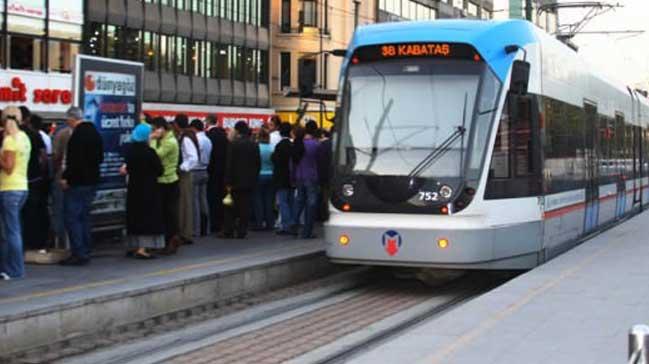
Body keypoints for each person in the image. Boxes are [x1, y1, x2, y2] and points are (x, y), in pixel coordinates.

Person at [59, 106, 104, 266]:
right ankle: (86, 249)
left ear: (72, 119)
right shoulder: (95, 133)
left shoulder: (77, 136)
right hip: (92, 181)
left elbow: (74, 162)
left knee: (72, 218)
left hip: (78, 183)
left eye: (68, 121)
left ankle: (78, 252)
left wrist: (66, 178)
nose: (68, 124)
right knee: (85, 217)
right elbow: (100, 157)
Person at [121, 123, 164, 259]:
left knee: (135, 216)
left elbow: (128, 167)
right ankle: (142, 248)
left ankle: (133, 245)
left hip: (134, 187)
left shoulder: (130, 150)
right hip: (149, 188)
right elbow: (159, 170)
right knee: (147, 216)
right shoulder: (149, 152)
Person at [0, 107, 31, 280]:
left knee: (11, 231)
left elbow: (8, 167)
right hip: (22, 187)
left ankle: (14, 269)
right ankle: (9, 268)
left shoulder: (9, 141)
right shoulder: (24, 138)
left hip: (8, 187)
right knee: (12, 229)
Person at [222, 121, 260, 239]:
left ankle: (229, 230)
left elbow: (229, 164)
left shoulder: (233, 144)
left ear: (237, 131)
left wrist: (227, 181)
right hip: (248, 181)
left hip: (234, 181)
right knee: (245, 207)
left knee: (230, 207)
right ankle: (242, 230)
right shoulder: (253, 144)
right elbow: (257, 164)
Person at [150, 117, 182, 255]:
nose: (153, 132)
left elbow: (156, 155)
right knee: (164, 212)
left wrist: (151, 140)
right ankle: (168, 240)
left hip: (168, 181)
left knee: (168, 213)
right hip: (163, 180)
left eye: (155, 129)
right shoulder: (165, 140)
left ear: (162, 128)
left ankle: (172, 239)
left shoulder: (170, 142)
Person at [18, 107, 49, 250]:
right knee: (34, 212)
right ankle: (34, 243)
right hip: (34, 179)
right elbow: (43, 157)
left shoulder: (10, 136)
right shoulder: (35, 135)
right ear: (28, 118)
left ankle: (20, 243)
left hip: (15, 180)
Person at [292, 121, 321, 239]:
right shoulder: (316, 145)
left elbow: (293, 162)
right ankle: (307, 231)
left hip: (299, 175)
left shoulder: (299, 144)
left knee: (299, 200)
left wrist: (293, 176)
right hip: (312, 176)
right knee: (311, 203)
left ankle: (293, 222)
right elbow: (320, 162)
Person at [175, 114, 199, 245]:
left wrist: (182, 167)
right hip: (186, 173)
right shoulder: (187, 136)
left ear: (177, 125)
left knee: (184, 203)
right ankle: (185, 231)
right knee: (185, 203)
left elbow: (193, 157)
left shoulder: (185, 139)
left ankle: (185, 232)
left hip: (184, 174)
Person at [51, 121, 73, 248]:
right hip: (78, 178)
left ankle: (60, 242)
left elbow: (56, 156)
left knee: (59, 208)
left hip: (62, 176)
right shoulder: (80, 133)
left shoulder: (61, 134)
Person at [205, 114, 228, 234]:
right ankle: (221, 222)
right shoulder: (224, 135)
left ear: (208, 122)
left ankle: (213, 223)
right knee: (221, 197)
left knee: (211, 197)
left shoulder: (208, 136)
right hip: (223, 171)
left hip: (212, 171)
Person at [272, 122, 295, 235]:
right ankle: (292, 222)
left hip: (281, 178)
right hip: (292, 178)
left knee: (283, 202)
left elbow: (275, 161)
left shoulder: (279, 146)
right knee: (291, 201)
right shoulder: (292, 145)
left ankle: (286, 225)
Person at [190, 119, 212, 237]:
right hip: (204, 170)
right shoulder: (207, 140)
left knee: (195, 201)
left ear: (193, 128)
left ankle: (196, 229)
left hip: (195, 171)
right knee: (204, 200)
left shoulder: (196, 139)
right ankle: (206, 228)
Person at [253, 128, 275, 230]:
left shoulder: (257, 147)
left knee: (258, 200)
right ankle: (270, 222)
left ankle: (259, 223)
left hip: (259, 175)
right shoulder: (272, 147)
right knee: (269, 200)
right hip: (271, 174)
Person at [317, 128, 332, 221]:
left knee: (324, 196)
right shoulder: (334, 144)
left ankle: (324, 215)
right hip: (333, 175)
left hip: (323, 175)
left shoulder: (322, 145)